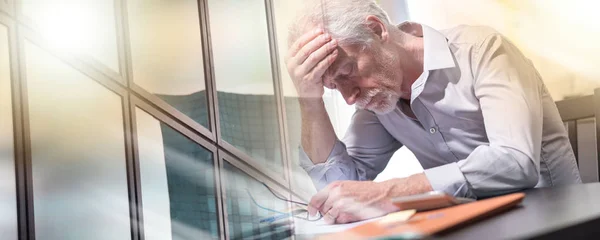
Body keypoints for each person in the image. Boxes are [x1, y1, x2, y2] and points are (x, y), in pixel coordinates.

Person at [285, 0, 582, 224]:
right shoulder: (379, 98)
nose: (349, 98)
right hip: (475, 227)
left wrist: (390, 192)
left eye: (348, 71)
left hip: (555, 222)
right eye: (335, 86)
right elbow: (337, 187)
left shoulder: (482, 51)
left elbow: (515, 161)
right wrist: (310, 101)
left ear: (377, 30)